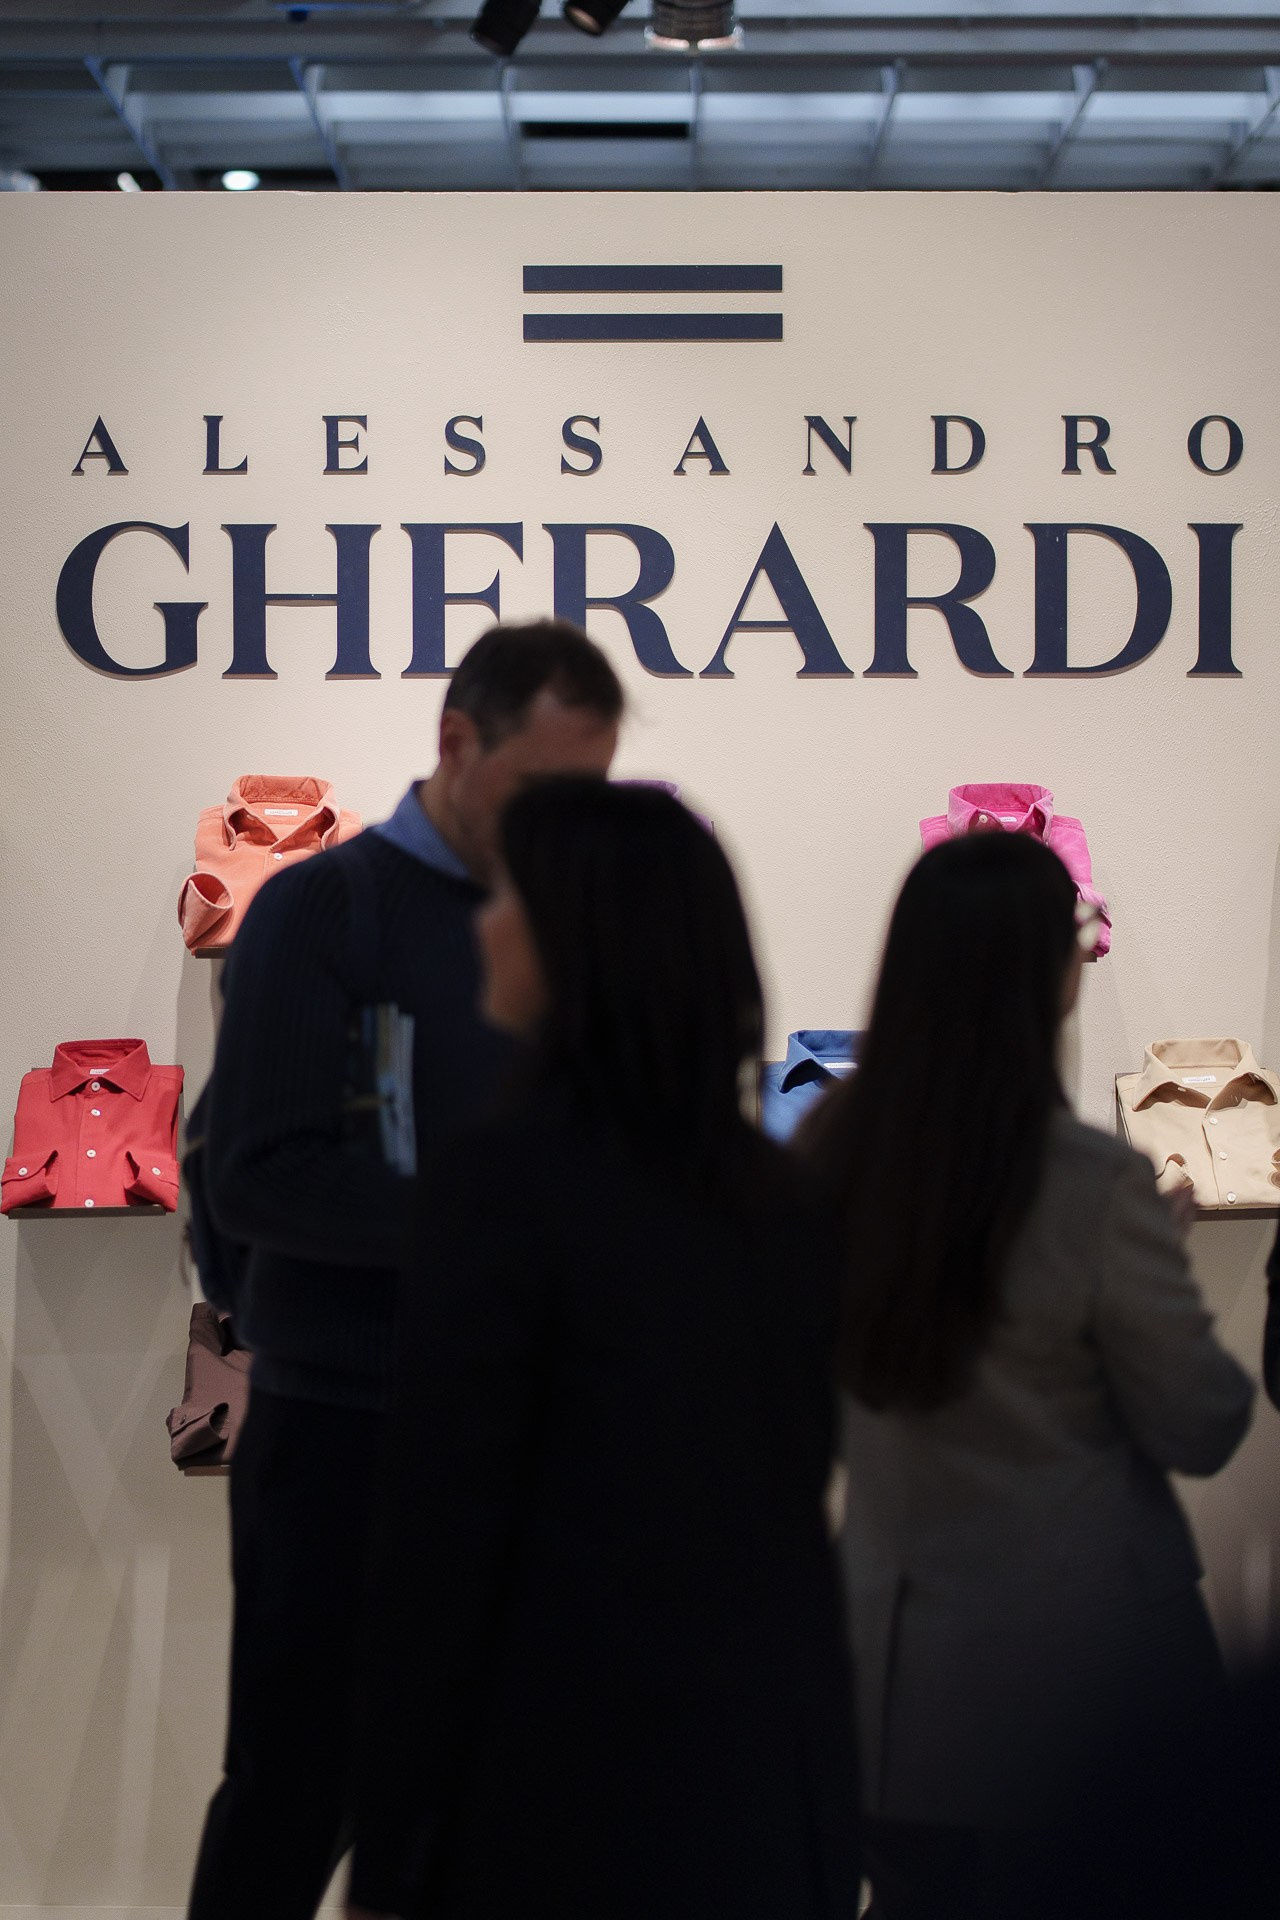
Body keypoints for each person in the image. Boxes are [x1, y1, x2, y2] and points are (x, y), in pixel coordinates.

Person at [344, 780, 862, 1920]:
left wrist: (390, 1840)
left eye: (509, 897)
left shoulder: (499, 1189)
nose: (482, 922)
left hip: (554, 1784)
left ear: (581, 937)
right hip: (760, 1779)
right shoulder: (776, 1196)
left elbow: (441, 1529)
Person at [187, 622, 624, 1920]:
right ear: (455, 743)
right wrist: (495, 1220)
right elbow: (255, 1174)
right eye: (545, 794)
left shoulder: (571, 922)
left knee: (484, 1811)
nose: (565, 829)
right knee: (292, 1790)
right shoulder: (324, 908)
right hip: (341, 1436)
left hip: (520, 1435)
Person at [798, 831, 1254, 1920]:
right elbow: (1201, 1422)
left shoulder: (825, 1156)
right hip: (1087, 1688)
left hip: (889, 1688)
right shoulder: (1092, 1183)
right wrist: (1159, 1253)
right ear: (1047, 976)